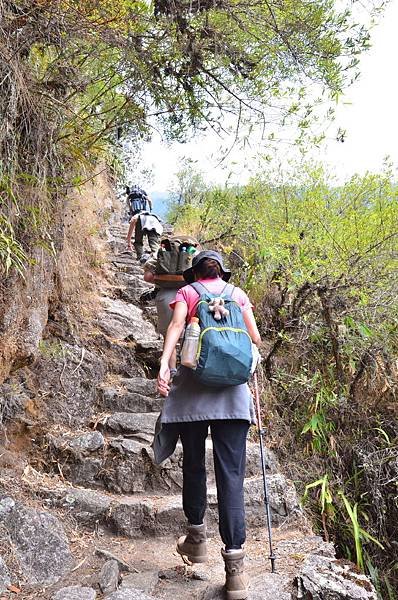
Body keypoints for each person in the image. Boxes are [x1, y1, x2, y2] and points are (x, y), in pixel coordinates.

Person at [156, 250, 261, 600]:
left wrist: (164, 365)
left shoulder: (187, 294)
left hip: (192, 397)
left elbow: (175, 327)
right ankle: (235, 572)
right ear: (221, 273)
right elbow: (255, 339)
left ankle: (197, 539)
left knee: (193, 464)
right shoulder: (238, 295)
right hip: (232, 399)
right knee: (231, 476)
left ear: (194, 273)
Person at [142, 236, 199, 371]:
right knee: (193, 334)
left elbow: (147, 277)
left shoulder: (162, 252)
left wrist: (164, 278)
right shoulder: (195, 254)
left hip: (166, 297)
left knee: (169, 334)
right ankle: (188, 371)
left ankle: (171, 370)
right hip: (192, 296)